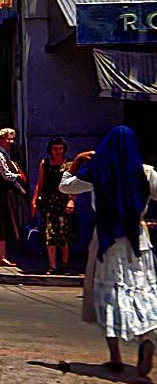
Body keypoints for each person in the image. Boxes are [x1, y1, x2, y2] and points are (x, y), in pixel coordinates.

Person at [59, 126, 157, 381]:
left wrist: (78, 159)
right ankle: (145, 339)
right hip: (138, 241)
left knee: (110, 296)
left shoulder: (97, 172)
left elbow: (65, 187)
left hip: (106, 241)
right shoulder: (146, 172)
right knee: (141, 291)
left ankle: (115, 357)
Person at [31, 137, 76, 274]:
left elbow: (74, 185)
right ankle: (52, 265)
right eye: (55, 149)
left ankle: (64, 262)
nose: (57, 152)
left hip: (64, 202)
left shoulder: (69, 164)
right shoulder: (45, 164)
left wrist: (71, 200)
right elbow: (40, 183)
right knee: (50, 233)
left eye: (60, 149)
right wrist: (34, 200)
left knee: (64, 234)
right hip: (49, 202)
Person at [0, 128, 27, 266]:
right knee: (2, 222)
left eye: (12, 138)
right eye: (8, 139)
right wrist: (18, 175)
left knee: (6, 221)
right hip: (1, 192)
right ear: (1, 140)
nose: (11, 141)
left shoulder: (7, 154)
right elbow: (5, 175)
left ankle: (3, 254)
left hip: (5, 192)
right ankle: (1, 255)